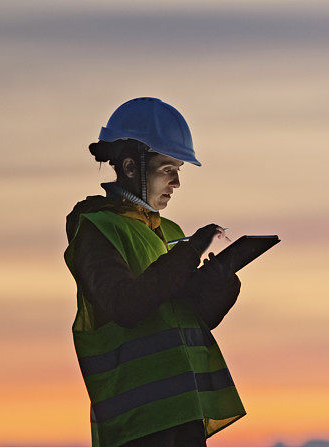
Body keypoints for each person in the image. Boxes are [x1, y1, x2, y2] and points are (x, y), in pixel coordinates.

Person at [64, 97, 246, 446]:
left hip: (183, 412)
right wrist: (191, 252)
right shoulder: (95, 229)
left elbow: (182, 319)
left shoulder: (171, 233)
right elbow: (126, 305)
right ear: (131, 168)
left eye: (178, 169)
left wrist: (219, 286)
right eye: (167, 169)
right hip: (136, 422)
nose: (176, 182)